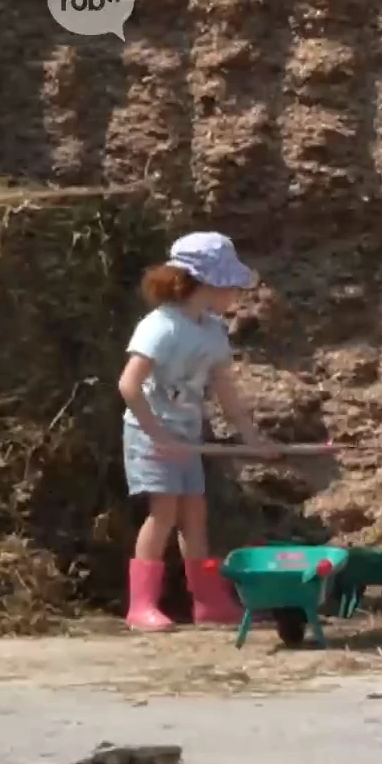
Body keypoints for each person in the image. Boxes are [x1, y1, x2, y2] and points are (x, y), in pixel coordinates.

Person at [117, 232, 276, 632]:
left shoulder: (212, 331)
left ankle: (208, 601)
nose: (236, 293)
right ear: (205, 283)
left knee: (195, 516)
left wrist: (252, 439)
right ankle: (141, 606)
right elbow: (129, 386)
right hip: (152, 435)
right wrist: (157, 436)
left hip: (187, 435)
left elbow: (225, 390)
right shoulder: (160, 326)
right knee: (164, 513)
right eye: (230, 285)